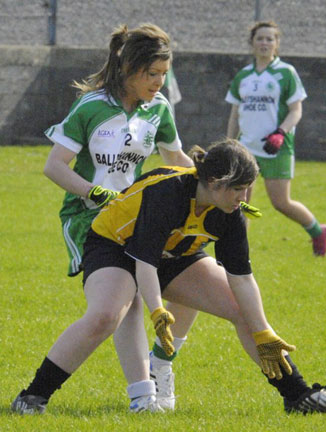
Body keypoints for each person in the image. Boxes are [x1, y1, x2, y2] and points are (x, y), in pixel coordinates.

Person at [12, 138, 326, 415]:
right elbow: (143, 262)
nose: (244, 198)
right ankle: (32, 397)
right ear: (214, 182)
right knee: (105, 315)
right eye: (239, 189)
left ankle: (299, 396)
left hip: (175, 252)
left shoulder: (229, 210)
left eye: (248, 189)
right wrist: (158, 311)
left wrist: (263, 331)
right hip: (114, 247)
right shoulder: (169, 192)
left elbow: (242, 279)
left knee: (241, 310)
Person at [39, 22, 199, 412]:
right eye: (152, 74)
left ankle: (150, 386)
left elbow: (175, 159)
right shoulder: (91, 106)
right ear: (128, 69)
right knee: (118, 305)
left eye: (164, 74)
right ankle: (137, 394)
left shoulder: (159, 108)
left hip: (134, 215)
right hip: (87, 217)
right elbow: (54, 166)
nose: (160, 82)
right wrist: (93, 191)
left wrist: (213, 184)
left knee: (188, 272)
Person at [226, 20, 326, 256]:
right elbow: (235, 113)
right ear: (251, 43)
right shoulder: (243, 76)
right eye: (259, 38)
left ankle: (317, 231)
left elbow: (296, 110)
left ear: (277, 44)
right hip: (247, 149)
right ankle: (239, 251)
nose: (264, 43)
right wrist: (229, 143)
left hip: (276, 148)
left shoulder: (286, 73)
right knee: (240, 203)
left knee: (280, 203)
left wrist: (280, 133)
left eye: (269, 38)